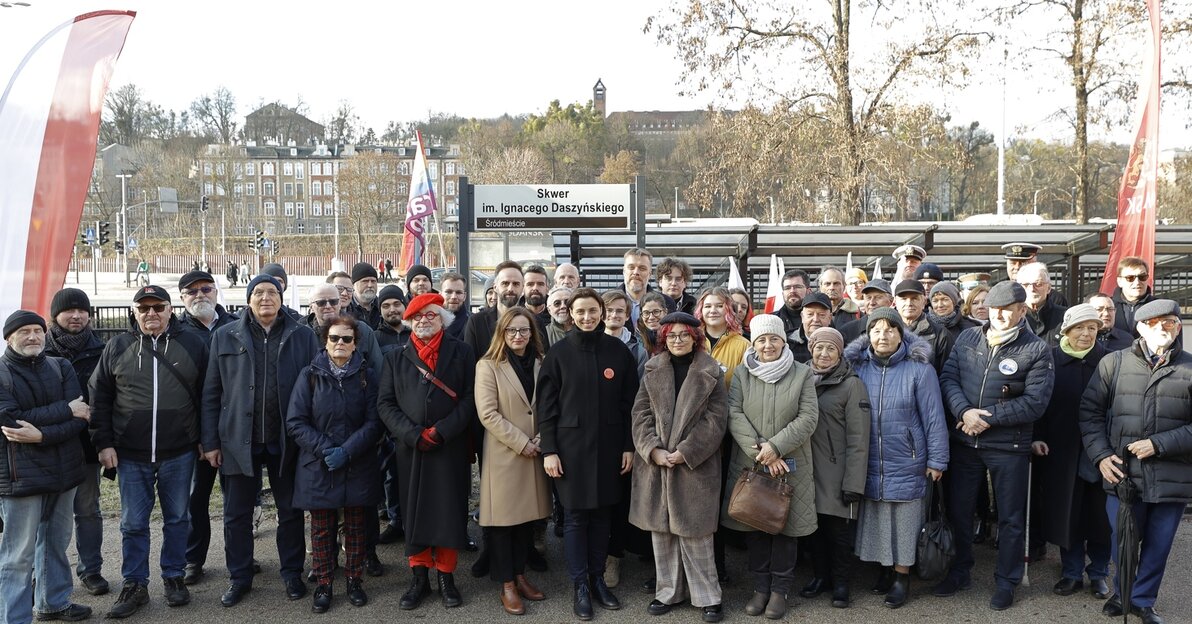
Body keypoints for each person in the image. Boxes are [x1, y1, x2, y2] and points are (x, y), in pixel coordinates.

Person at [89, 285, 209, 617]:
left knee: (177, 519)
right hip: (130, 453)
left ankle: (173, 577)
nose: (151, 314)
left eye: (158, 307)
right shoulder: (118, 346)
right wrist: (104, 443)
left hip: (179, 451)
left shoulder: (192, 344)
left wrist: (204, 438)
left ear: (171, 309)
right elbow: (99, 397)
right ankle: (135, 584)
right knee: (133, 523)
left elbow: (206, 396)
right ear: (135, 312)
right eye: (144, 309)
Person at [935, 281, 1055, 611]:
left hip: (1008, 446)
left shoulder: (1036, 349)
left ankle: (1007, 580)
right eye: (995, 308)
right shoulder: (969, 337)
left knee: (1011, 518)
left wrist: (985, 417)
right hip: (965, 443)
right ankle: (960, 571)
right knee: (960, 511)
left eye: (1008, 309)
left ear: (1022, 310)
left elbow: (1035, 403)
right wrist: (963, 411)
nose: (1000, 315)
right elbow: (949, 379)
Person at [201, 274, 320, 607]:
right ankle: (239, 577)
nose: (265, 297)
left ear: (282, 299)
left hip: (286, 440)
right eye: (258, 292)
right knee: (236, 514)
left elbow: (314, 388)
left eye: (272, 292)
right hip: (238, 439)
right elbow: (212, 392)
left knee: (291, 511)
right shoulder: (226, 336)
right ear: (248, 299)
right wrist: (210, 441)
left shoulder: (303, 335)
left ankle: (292, 573)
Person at [1080, 299, 1190, 624]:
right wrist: (1100, 455)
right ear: (1140, 328)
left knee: (1158, 546)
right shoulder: (1113, 363)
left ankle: (1142, 601)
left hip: (1173, 477)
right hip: (1123, 476)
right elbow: (1090, 413)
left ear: (1178, 327)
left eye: (1169, 322)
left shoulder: (1190, 368)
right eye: (1154, 323)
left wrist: (1159, 444)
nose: (1162, 328)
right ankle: (1122, 592)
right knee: (1122, 539)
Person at [537, 287, 640, 621]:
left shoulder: (618, 352)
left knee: (603, 517)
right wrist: (549, 450)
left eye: (592, 311)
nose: (586, 317)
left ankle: (598, 579)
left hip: (611, 448)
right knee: (578, 517)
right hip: (570, 451)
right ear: (570, 313)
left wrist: (628, 445)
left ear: (602, 312)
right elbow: (546, 409)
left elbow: (630, 405)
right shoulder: (558, 354)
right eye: (579, 311)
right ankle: (580, 584)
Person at [845, 307, 948, 609]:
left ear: (901, 334)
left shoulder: (920, 369)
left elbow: (933, 418)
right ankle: (884, 570)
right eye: (876, 329)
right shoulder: (858, 368)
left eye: (890, 329)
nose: (883, 335)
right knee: (876, 517)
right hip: (871, 460)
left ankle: (902, 577)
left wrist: (937, 460)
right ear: (868, 335)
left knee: (904, 522)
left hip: (908, 458)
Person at [378, 294, 476, 611]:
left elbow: (470, 399)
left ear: (442, 319)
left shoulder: (461, 352)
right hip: (411, 450)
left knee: (449, 511)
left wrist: (443, 430)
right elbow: (385, 404)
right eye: (417, 317)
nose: (423, 321)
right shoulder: (395, 357)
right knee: (414, 512)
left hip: (450, 447)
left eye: (430, 315)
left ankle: (446, 577)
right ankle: (419, 578)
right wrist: (412, 434)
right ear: (409, 321)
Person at [630, 313, 728, 623]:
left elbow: (716, 421)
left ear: (695, 338)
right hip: (656, 465)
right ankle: (668, 591)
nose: (677, 340)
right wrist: (652, 450)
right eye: (671, 336)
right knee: (662, 533)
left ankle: (708, 597)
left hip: (694, 466)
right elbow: (640, 415)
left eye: (684, 335)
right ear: (664, 340)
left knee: (695, 533)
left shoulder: (711, 373)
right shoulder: (652, 370)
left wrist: (685, 452)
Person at [721, 314, 818, 620]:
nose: (768, 345)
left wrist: (775, 447)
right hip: (752, 463)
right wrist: (762, 451)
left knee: (785, 529)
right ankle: (760, 588)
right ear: (754, 342)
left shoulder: (802, 373)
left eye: (773, 338)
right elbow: (733, 412)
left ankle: (780, 591)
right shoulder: (742, 373)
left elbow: (808, 418)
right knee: (756, 527)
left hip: (791, 465)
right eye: (761, 339)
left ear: (783, 340)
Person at [0, 311, 93, 623]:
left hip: (65, 472)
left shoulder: (61, 366)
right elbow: (10, 420)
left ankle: (53, 603)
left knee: (55, 543)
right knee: (18, 556)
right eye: (24, 331)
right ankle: (14, 618)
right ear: (9, 337)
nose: (32, 337)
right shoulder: (1, 373)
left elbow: (79, 419)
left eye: (37, 331)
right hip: (20, 478)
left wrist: (39, 434)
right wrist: (64, 410)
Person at [286, 315, 383, 613]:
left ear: (356, 344)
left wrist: (348, 450)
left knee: (355, 527)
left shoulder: (367, 376)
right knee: (322, 529)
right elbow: (296, 421)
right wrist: (328, 449)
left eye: (346, 339)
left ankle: (355, 580)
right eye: (334, 338)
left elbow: (375, 421)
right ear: (325, 341)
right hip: (319, 464)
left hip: (357, 463)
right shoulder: (309, 375)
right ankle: (325, 583)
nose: (340, 344)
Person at [1031, 304, 1111, 601]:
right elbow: (1037, 403)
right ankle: (1072, 572)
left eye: (1092, 328)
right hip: (1060, 450)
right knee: (1068, 513)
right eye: (1080, 327)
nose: (1087, 333)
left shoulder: (1109, 360)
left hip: (1101, 452)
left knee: (1100, 517)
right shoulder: (1050, 360)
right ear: (1066, 330)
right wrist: (1036, 437)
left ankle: (1100, 573)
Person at [474, 307, 552, 615]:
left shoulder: (543, 363)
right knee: (504, 524)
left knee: (526, 521)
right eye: (512, 331)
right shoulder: (488, 366)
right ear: (502, 334)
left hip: (535, 450)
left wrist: (541, 440)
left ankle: (520, 575)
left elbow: (550, 406)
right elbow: (488, 414)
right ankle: (506, 584)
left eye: (524, 330)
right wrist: (523, 443)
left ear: (533, 333)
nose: (518, 336)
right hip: (507, 454)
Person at [175, 272, 240, 586]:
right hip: (194, 434)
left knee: (236, 501)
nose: (199, 295)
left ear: (216, 292)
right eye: (191, 291)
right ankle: (192, 559)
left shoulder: (237, 326)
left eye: (205, 289)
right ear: (182, 297)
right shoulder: (177, 334)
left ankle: (239, 557)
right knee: (195, 500)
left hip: (234, 429)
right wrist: (202, 436)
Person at [43, 288, 108, 597]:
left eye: (82, 310)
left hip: (87, 446)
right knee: (47, 515)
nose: (76, 315)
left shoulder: (102, 350)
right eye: (69, 310)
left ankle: (90, 569)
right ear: (55, 315)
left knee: (88, 510)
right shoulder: (38, 349)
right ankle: (40, 575)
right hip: (46, 446)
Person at [800, 327, 871, 609]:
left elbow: (859, 438)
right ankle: (821, 577)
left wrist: (854, 482)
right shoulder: (801, 377)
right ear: (811, 349)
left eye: (831, 349)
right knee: (813, 530)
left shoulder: (852, 384)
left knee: (838, 534)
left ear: (840, 352)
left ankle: (841, 583)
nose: (824, 354)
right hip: (806, 469)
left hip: (837, 471)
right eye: (819, 348)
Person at [465, 260, 525, 358]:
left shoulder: (535, 322)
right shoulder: (476, 322)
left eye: (516, 284)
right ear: (495, 287)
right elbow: (470, 363)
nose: (510, 288)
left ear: (522, 287)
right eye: (505, 283)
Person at [893, 280, 953, 373]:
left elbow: (947, 374)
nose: (909, 303)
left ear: (924, 301)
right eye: (904, 299)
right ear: (895, 302)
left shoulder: (941, 334)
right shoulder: (884, 332)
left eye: (914, 298)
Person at [694, 287, 750, 388]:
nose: (713, 311)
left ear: (729, 310)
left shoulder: (744, 346)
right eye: (707, 306)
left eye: (719, 306)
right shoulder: (691, 342)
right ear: (700, 311)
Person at [1016, 262, 1067, 347]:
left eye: (1038, 284)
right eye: (1026, 285)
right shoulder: (1013, 317)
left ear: (1049, 288)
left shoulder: (1065, 316)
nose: (1032, 289)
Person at [602, 290, 648, 377]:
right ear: (601, 313)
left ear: (627, 316)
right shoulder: (589, 345)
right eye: (609, 310)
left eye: (619, 311)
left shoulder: (638, 352)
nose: (614, 315)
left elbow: (641, 388)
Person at [1111, 256, 1155, 338]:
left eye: (1142, 277)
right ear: (1119, 281)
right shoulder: (1107, 307)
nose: (1137, 282)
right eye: (1130, 278)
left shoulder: (1158, 306)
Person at [789, 292, 833, 363]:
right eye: (810, 314)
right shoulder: (788, 344)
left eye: (821, 315)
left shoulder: (842, 344)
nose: (815, 319)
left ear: (830, 318)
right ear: (802, 317)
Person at [773, 268, 810, 342]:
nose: (792, 291)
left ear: (808, 291)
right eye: (787, 288)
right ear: (783, 293)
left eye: (798, 287)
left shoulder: (818, 319)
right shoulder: (772, 321)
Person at [635, 292, 670, 356]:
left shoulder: (674, 338)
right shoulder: (635, 342)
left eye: (656, 311)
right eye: (646, 313)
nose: (651, 317)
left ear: (665, 312)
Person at [347, 262, 382, 328]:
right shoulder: (346, 308)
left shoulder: (382, 307)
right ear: (354, 285)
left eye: (373, 281)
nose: (370, 285)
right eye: (365, 281)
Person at [440, 272, 471, 339]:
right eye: (449, 292)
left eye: (458, 292)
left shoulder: (474, 323)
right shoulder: (431, 321)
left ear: (464, 296)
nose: (454, 296)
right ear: (440, 295)